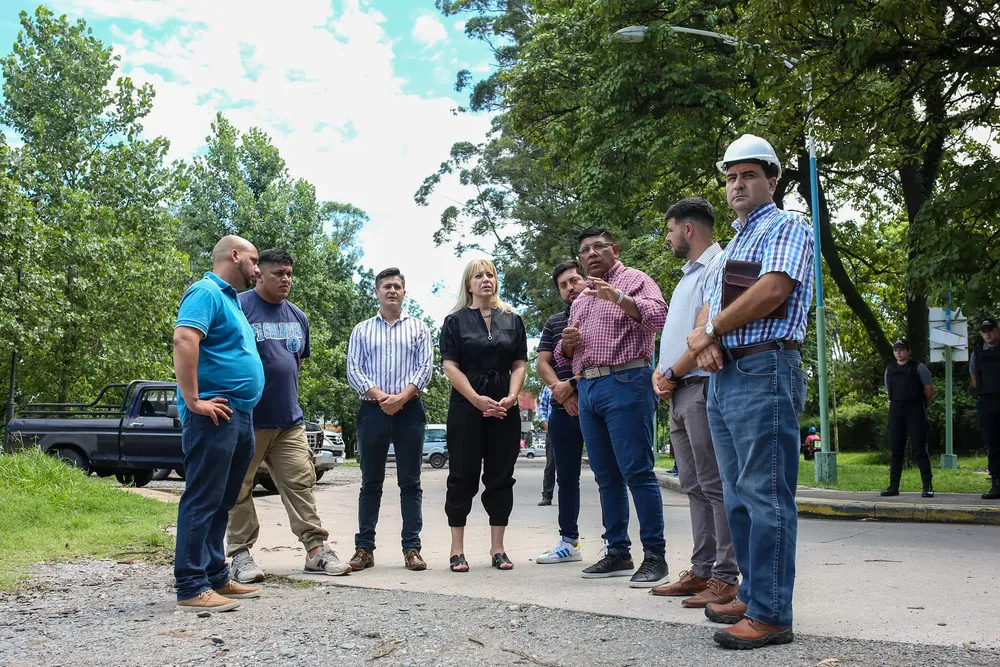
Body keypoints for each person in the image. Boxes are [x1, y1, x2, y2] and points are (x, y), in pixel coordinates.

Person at [685, 134, 814, 649]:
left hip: (766, 370)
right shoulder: (736, 242)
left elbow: (774, 288)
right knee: (737, 497)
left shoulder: (787, 225)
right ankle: (754, 592)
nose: (738, 184)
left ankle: (772, 615)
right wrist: (707, 345)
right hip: (728, 374)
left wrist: (712, 332)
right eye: (731, 177)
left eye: (749, 175)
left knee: (766, 496)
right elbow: (712, 316)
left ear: (772, 180)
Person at [226, 249, 351, 583]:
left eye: (290, 274)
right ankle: (240, 555)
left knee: (301, 484)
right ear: (260, 274)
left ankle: (316, 551)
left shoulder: (297, 316)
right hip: (246, 419)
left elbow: (294, 365)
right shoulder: (237, 307)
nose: (286, 280)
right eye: (279, 273)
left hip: (288, 422)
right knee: (239, 488)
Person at [554, 228, 670, 588]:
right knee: (606, 477)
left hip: (626, 381)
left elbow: (658, 317)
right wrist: (569, 345)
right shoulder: (580, 298)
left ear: (614, 250)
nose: (590, 254)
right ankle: (618, 550)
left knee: (637, 471)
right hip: (588, 386)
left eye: (597, 247)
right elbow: (563, 355)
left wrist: (619, 297)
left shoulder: (635, 279)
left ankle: (655, 556)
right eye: (584, 249)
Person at [648, 198, 738, 609]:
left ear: (687, 230)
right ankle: (703, 568)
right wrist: (660, 371)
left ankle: (725, 574)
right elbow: (679, 333)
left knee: (715, 484)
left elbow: (706, 333)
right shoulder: (687, 276)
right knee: (694, 485)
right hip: (679, 389)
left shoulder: (718, 267)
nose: (666, 238)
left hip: (701, 386)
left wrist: (671, 372)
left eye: (669, 230)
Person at [171, 235, 265, 612]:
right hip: (213, 414)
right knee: (204, 496)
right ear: (235, 255)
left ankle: (215, 577)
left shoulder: (232, 301)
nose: (258, 269)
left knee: (224, 499)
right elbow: (184, 338)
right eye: (255, 260)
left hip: (239, 413)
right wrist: (193, 400)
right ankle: (191, 586)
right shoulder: (205, 291)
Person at [440, 258, 527, 572]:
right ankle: (457, 550)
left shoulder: (513, 319)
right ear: (469, 283)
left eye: (490, 274)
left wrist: (513, 396)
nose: (486, 280)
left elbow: (519, 363)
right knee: (462, 476)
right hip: (467, 406)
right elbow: (450, 366)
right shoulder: (455, 321)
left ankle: (498, 549)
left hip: (504, 408)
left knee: (500, 477)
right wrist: (476, 399)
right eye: (479, 276)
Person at [345, 267, 434, 571]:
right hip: (372, 410)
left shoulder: (420, 328)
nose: (392, 290)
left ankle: (412, 549)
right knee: (371, 481)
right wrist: (383, 397)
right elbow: (354, 370)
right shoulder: (362, 329)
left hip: (410, 410)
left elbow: (425, 369)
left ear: (404, 292)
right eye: (386, 286)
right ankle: (364, 549)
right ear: (377, 292)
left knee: (411, 482)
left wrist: (401, 398)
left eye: (397, 286)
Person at [535, 260, 587, 564]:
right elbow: (542, 363)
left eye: (574, 280)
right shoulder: (554, 322)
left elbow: (599, 356)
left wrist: (574, 388)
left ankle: (615, 543)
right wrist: (560, 390)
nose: (570, 287)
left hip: (593, 404)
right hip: (560, 409)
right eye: (563, 284)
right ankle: (569, 542)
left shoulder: (599, 310)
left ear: (585, 280)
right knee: (566, 478)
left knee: (611, 475)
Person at [881, 339, 935, 498]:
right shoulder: (889, 370)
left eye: (902, 349)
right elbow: (888, 390)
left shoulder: (918, 367)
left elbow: (930, 390)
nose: (898, 352)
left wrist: (921, 404)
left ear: (909, 351)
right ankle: (893, 486)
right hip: (896, 410)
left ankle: (927, 486)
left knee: (920, 449)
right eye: (896, 349)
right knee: (896, 450)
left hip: (915, 409)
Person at [970, 317, 1000, 500]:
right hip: (987, 401)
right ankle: (996, 484)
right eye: (984, 330)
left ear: (998, 330)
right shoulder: (977, 353)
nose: (987, 333)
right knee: (993, 445)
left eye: (990, 329)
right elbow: (974, 379)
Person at [536, 385, 555, 506]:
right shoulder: (548, 387)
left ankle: (569, 495)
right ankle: (547, 495)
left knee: (570, 465)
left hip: (572, 426)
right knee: (550, 465)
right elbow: (542, 406)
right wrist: (545, 422)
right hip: (552, 428)